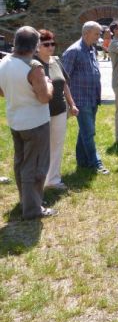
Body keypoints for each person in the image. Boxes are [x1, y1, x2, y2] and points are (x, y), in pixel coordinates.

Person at [0, 26, 55, 219]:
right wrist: (48, 83)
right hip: (35, 122)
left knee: (21, 163)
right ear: (35, 45)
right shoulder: (34, 67)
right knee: (36, 166)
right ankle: (33, 209)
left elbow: (2, 91)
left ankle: (27, 200)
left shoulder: (4, 61)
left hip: (15, 119)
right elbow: (44, 97)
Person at [63, 21, 109, 174]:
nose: (99, 37)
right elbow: (64, 79)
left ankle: (82, 161)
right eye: (97, 34)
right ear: (86, 33)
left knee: (85, 131)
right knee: (89, 132)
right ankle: (95, 162)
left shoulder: (91, 49)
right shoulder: (73, 51)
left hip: (92, 97)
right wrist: (71, 102)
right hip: (80, 99)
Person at [36, 29, 79, 190]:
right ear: (37, 46)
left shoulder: (56, 60)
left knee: (57, 145)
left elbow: (64, 84)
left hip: (59, 110)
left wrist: (72, 104)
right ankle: (38, 180)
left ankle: (53, 180)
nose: (50, 47)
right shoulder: (33, 63)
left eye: (53, 43)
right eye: (46, 44)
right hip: (40, 110)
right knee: (41, 146)